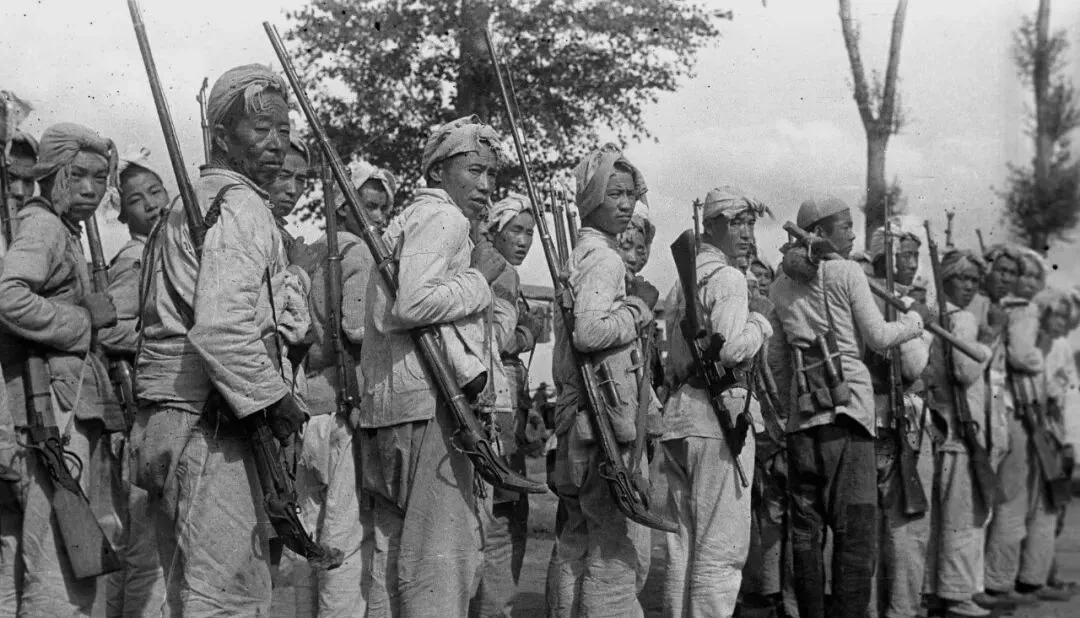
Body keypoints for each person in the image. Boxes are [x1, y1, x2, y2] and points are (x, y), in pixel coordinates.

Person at [130, 64, 313, 616]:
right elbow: (221, 327)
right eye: (261, 129)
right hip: (213, 427)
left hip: (175, 419)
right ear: (221, 136)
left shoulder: (190, 202)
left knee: (188, 594)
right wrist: (277, 400)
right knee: (231, 599)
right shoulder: (240, 205)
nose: (276, 143)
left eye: (283, 129)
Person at [357, 115, 509, 617]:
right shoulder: (445, 219)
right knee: (439, 573)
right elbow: (413, 303)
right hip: (431, 412)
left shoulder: (409, 220)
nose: (486, 185)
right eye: (474, 170)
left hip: (396, 411)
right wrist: (480, 279)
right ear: (439, 171)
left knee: (394, 568)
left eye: (491, 173)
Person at [767, 197, 924, 618]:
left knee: (806, 536)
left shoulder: (779, 286)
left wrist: (786, 416)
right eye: (846, 226)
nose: (854, 235)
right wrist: (914, 324)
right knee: (854, 535)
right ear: (820, 232)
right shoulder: (847, 272)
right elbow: (878, 337)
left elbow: (778, 362)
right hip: (849, 418)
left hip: (802, 425)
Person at [0, 122, 125, 615]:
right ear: (52, 175)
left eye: (100, 177)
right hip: (51, 414)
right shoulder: (46, 227)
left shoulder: (58, 228)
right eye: (78, 175)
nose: (91, 189)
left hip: (54, 409)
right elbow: (9, 297)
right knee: (58, 569)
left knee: (30, 562)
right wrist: (82, 321)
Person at [547, 143, 657, 618]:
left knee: (578, 543)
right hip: (603, 423)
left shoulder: (584, 253)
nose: (626, 204)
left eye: (630, 194)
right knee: (616, 553)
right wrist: (638, 308)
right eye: (615, 194)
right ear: (592, 198)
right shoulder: (605, 260)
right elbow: (589, 333)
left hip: (581, 422)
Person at [287, 160, 397, 617]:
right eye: (369, 205)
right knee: (344, 542)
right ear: (343, 207)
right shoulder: (361, 255)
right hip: (342, 411)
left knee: (310, 538)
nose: (379, 217)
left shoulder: (314, 253)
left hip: (308, 411)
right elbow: (356, 327)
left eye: (383, 208)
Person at [662, 186, 772, 617]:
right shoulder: (728, 278)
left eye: (749, 223)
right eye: (735, 223)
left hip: (681, 418)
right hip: (718, 418)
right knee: (721, 552)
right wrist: (760, 323)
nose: (745, 233)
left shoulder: (682, 282)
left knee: (682, 548)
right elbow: (730, 351)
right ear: (710, 227)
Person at [96, 147, 170, 616]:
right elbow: (107, 328)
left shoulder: (160, 252)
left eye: (156, 192)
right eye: (137, 200)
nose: (151, 204)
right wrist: (156, 340)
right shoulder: (137, 260)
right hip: (139, 413)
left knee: (137, 552)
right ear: (123, 215)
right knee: (147, 551)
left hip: (142, 412)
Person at [979, 243, 1064, 607]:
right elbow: (1022, 356)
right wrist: (1040, 360)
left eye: (1034, 276)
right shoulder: (1024, 312)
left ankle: (1007, 578)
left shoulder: (1015, 309)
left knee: (1021, 498)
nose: (1028, 282)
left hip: (1022, 411)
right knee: (1014, 499)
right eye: (1022, 275)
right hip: (1016, 411)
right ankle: (999, 582)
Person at [471, 192, 543, 617]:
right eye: (516, 230)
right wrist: (528, 334)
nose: (524, 240)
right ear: (495, 231)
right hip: (495, 409)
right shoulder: (501, 273)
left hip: (499, 406)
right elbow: (493, 339)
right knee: (503, 526)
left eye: (529, 233)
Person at [863, 220, 935, 618]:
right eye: (904, 255)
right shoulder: (894, 301)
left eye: (915, 255)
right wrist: (920, 325)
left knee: (874, 525)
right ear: (884, 257)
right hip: (897, 420)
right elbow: (914, 365)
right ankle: (902, 609)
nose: (911, 263)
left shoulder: (863, 294)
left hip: (871, 420)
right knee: (907, 522)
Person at [919, 249, 995, 618]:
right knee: (961, 519)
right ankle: (957, 595)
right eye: (961, 278)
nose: (968, 286)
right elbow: (966, 369)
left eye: (974, 281)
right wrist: (986, 347)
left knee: (946, 517)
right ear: (946, 279)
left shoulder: (936, 315)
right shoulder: (962, 319)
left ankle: (939, 591)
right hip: (960, 433)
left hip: (945, 429)